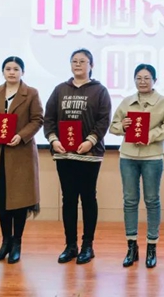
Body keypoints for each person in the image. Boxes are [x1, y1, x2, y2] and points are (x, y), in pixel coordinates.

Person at [44, 48, 112, 265]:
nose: (78, 64)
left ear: (91, 65)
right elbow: (49, 118)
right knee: (69, 199)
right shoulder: (60, 90)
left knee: (88, 198)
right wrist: (54, 140)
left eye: (83, 61)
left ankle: (87, 245)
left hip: (89, 154)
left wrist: (90, 141)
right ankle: (70, 245)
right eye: (74, 61)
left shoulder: (99, 91)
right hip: (64, 154)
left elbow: (103, 120)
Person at [0, 56, 44, 264]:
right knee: (2, 200)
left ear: (22, 72)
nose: (12, 72)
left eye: (16, 69)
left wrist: (21, 136)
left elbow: (37, 119)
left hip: (20, 154)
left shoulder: (31, 93)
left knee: (19, 201)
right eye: (8, 69)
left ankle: (17, 243)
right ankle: (5, 242)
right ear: (3, 72)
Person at [110, 64, 164, 268]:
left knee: (152, 200)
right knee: (130, 201)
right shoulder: (126, 102)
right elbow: (113, 126)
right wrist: (123, 127)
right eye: (138, 78)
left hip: (152, 157)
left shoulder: (163, 103)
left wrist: (151, 135)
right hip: (128, 156)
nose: (142, 81)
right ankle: (131, 246)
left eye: (147, 78)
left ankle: (151, 246)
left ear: (154, 80)